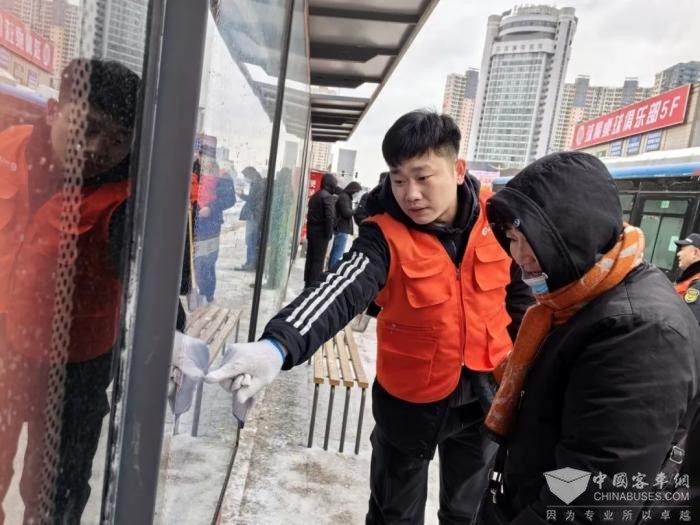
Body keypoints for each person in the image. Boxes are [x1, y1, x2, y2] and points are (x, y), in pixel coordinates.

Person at [206, 110, 532, 524]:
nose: (411, 194)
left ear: (457, 170)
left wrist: (521, 372)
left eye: (423, 177)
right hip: (409, 399)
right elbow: (339, 290)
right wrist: (277, 346)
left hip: (484, 393)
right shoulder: (383, 234)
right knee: (393, 513)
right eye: (399, 179)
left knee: (468, 512)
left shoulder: (497, 221)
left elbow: (523, 299)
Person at [479, 151, 700, 524]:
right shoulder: (572, 298)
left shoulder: (642, 332)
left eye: (530, 240)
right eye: (512, 239)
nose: (519, 256)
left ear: (573, 232)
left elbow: (590, 493)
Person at [0, 58, 140, 523]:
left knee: (54, 492)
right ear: (52, 110)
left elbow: (145, 277)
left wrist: (170, 333)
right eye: (89, 127)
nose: (99, 148)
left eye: (119, 139)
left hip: (75, 370)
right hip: (4, 348)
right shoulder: (8, 150)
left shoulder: (127, 201)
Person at [673, 233, 700, 516]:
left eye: (685, 249)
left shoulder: (697, 286)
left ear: (698, 254)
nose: (679, 253)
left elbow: (688, 327)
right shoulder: (689, 282)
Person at [191, 156, 235, 302]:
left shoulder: (223, 178)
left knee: (207, 261)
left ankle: (207, 294)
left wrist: (211, 208)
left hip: (210, 226)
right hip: (196, 224)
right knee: (196, 260)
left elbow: (229, 199)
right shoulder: (195, 174)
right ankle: (200, 291)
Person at [303, 172, 337, 288]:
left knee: (310, 258)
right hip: (321, 234)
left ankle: (307, 282)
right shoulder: (327, 197)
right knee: (318, 261)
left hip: (312, 231)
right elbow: (329, 217)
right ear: (330, 184)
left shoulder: (315, 195)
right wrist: (329, 233)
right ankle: (313, 286)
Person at [328, 180, 362, 271]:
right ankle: (332, 271)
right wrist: (356, 210)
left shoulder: (346, 197)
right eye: (357, 192)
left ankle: (330, 270)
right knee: (337, 253)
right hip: (341, 229)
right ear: (353, 190)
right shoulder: (344, 197)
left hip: (342, 229)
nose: (357, 194)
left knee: (336, 252)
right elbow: (346, 213)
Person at [236, 166, 265, 271]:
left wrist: (242, 196)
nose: (245, 178)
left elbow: (255, 201)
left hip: (254, 217)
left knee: (251, 241)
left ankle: (251, 264)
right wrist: (242, 195)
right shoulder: (256, 183)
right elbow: (253, 199)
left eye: (246, 176)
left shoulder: (259, 184)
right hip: (253, 216)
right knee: (250, 241)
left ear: (251, 174)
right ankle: (249, 262)